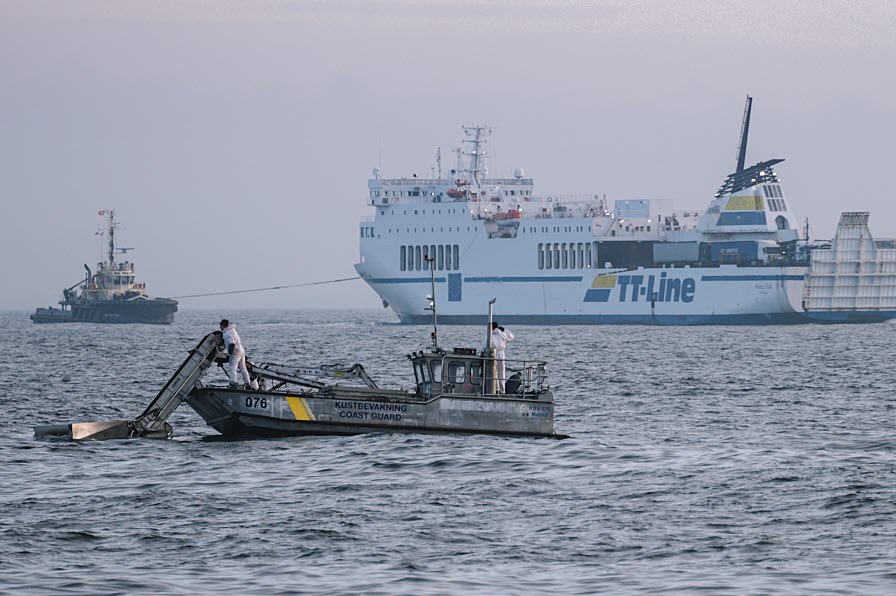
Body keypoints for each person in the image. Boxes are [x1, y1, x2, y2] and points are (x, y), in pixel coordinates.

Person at [219, 319, 258, 390]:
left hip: (235, 352)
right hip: (241, 350)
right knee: (243, 368)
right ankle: (247, 383)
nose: (220, 327)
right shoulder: (232, 330)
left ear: (223, 326)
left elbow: (232, 344)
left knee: (233, 367)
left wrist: (229, 354)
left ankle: (233, 382)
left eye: (220, 326)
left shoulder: (228, 333)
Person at [482, 321, 515, 393]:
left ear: (492, 328)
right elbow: (512, 336)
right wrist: (505, 330)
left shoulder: (491, 335)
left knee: (494, 372)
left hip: (494, 354)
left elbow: (484, 346)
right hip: (502, 354)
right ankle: (502, 390)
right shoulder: (503, 333)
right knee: (502, 372)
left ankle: (496, 389)